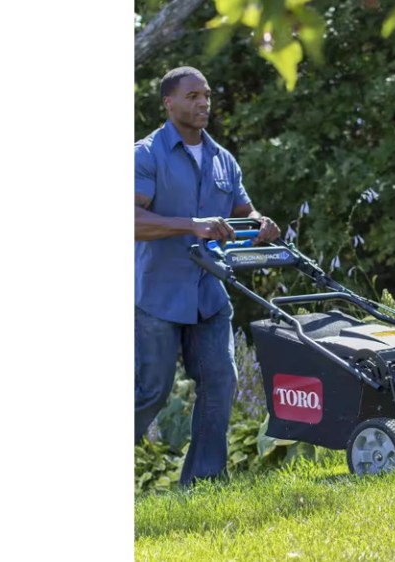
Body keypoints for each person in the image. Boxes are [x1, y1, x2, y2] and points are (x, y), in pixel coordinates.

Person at [134, 66, 280, 485]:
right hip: (157, 297)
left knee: (220, 382)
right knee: (151, 392)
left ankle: (202, 482)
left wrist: (260, 222)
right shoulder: (146, 155)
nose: (203, 103)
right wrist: (190, 224)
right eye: (193, 96)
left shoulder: (223, 160)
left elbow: (242, 211)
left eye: (208, 96)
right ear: (169, 102)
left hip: (209, 293)